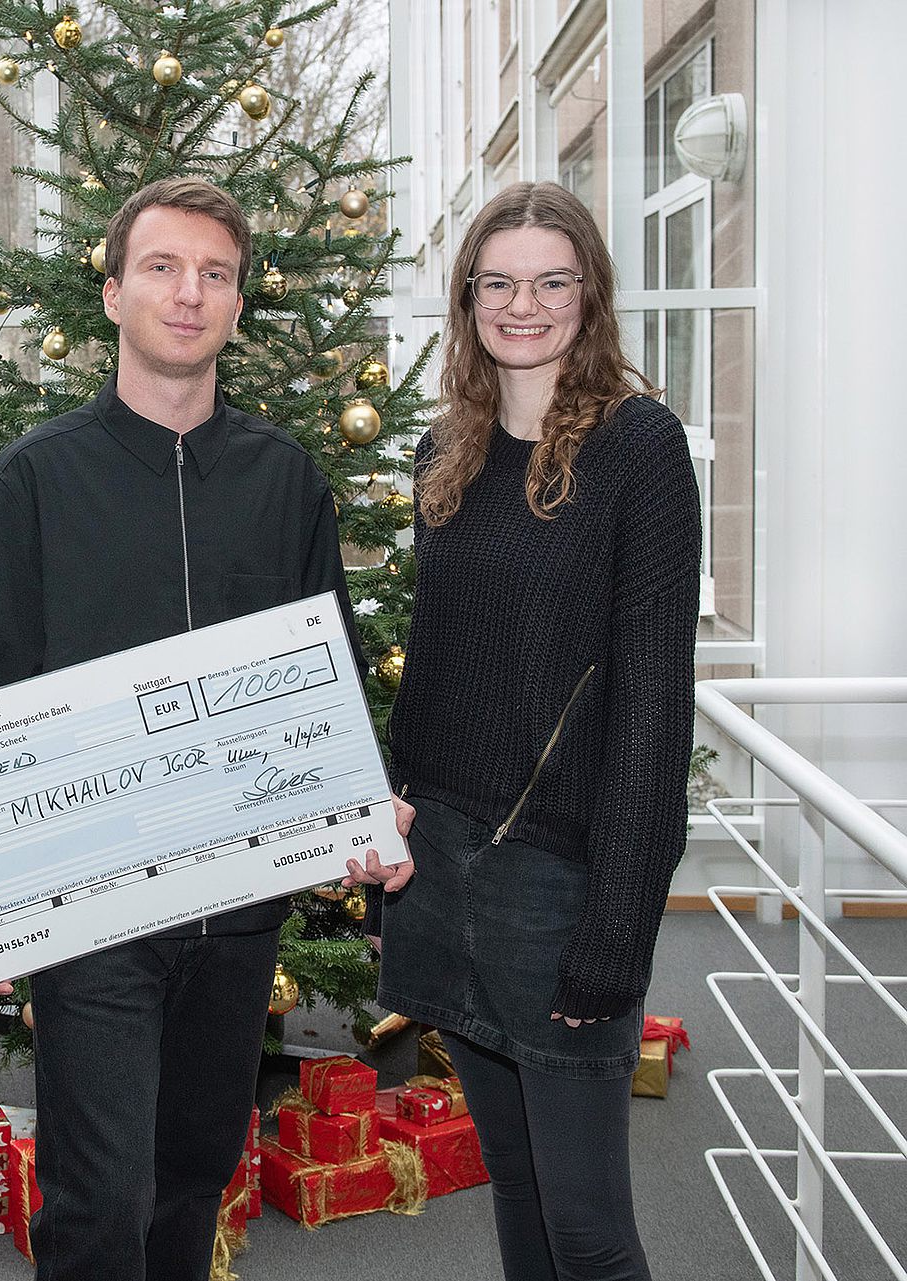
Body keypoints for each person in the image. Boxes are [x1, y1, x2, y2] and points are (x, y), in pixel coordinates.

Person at [0, 176, 366, 1281]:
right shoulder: (32, 482)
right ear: (114, 294)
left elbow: (329, 684)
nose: (189, 294)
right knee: (97, 1196)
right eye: (163, 268)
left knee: (194, 1171)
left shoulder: (286, 483)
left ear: (237, 305)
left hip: (238, 907)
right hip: (93, 918)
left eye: (214, 275)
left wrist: (357, 808)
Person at [346, 181, 700, 1281]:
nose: (524, 305)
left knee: (590, 1231)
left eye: (552, 281)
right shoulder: (442, 451)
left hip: (563, 879)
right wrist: (384, 830)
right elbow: (439, 671)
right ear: (466, 300)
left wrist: (617, 929)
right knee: (516, 1188)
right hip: (447, 857)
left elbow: (653, 700)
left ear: (589, 294)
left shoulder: (641, 449)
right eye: (497, 283)